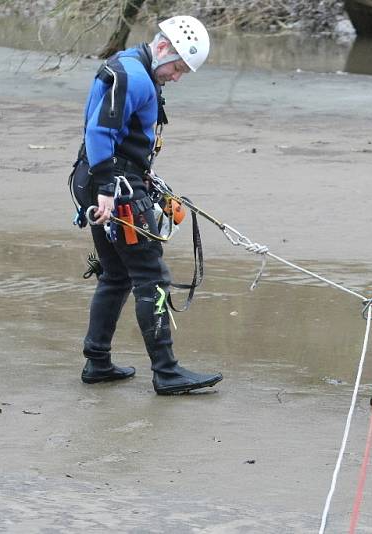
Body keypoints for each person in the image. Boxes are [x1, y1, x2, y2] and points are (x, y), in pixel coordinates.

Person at [70, 15, 222, 395]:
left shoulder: (133, 67)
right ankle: (167, 372)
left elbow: (114, 134)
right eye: (178, 67)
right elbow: (99, 131)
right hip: (113, 187)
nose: (177, 76)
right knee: (150, 276)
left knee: (116, 274)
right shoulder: (135, 77)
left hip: (101, 179)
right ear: (162, 48)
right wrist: (109, 189)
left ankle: (97, 361)